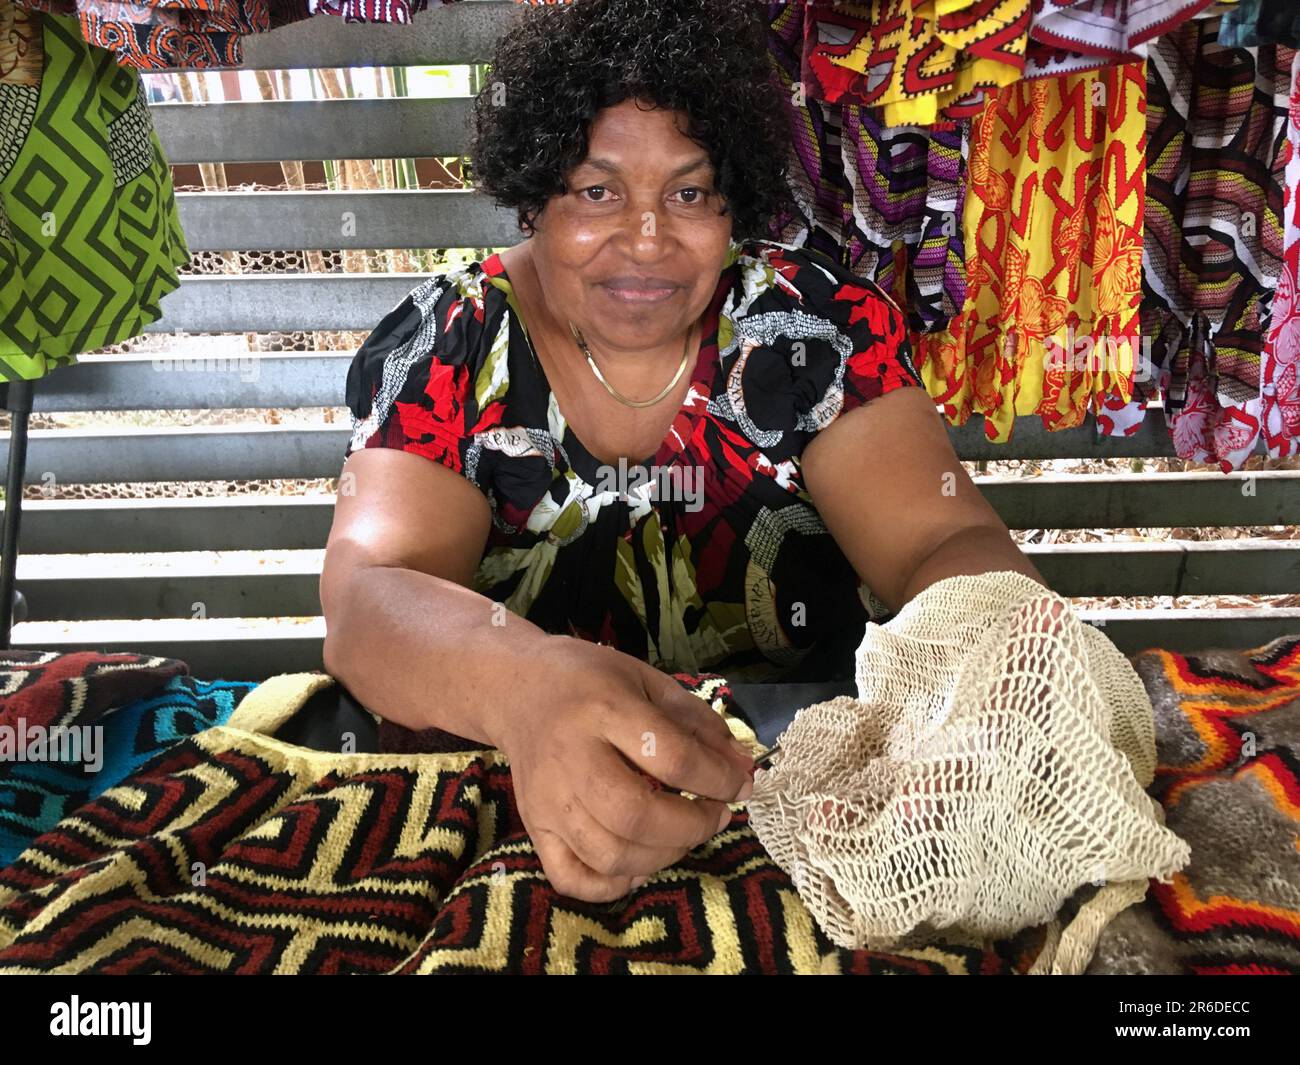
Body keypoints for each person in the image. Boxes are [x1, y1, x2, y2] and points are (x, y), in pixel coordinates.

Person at [320, 0, 1046, 903]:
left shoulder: (811, 329)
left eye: (690, 193)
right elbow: (369, 594)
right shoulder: (453, 341)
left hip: (818, 825)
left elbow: (942, 544)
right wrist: (527, 685)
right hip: (523, 836)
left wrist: (996, 666)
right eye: (597, 191)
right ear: (531, 193)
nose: (650, 238)